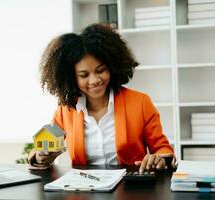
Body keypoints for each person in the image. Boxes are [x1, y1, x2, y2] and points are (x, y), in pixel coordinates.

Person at [28, 23, 176, 172]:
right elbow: (40, 150)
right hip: (84, 189)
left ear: (111, 66)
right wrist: (41, 157)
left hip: (130, 187)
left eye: (100, 70)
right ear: (71, 78)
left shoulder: (140, 103)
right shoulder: (65, 111)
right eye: (84, 75)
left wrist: (159, 158)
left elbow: (162, 149)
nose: (94, 80)